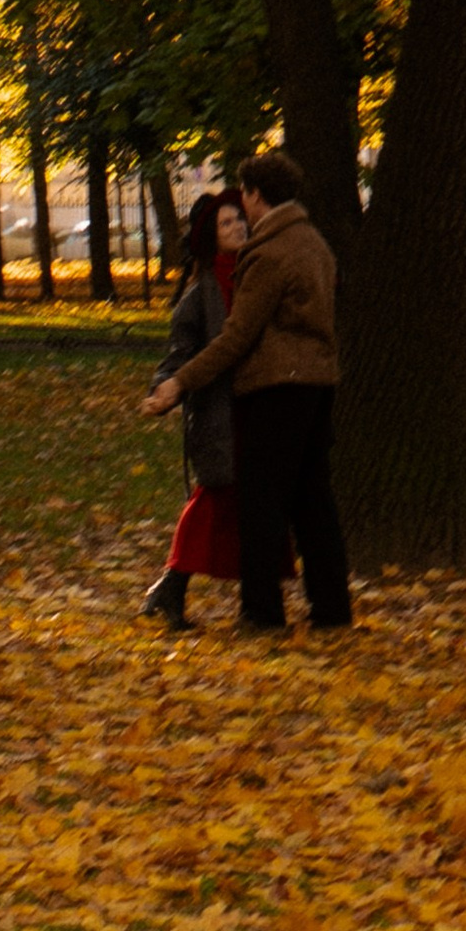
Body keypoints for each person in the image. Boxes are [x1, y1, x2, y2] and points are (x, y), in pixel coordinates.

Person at [141, 148, 350, 631]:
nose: (243, 210)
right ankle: (332, 609)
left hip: (276, 389)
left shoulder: (270, 253)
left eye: (246, 199)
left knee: (262, 503)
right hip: (319, 384)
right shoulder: (314, 243)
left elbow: (237, 336)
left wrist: (179, 382)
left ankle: (262, 613)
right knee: (314, 502)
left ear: (257, 195)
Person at [139, 193, 291, 629]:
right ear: (211, 238)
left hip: (260, 408)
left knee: (252, 503)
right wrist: (164, 390)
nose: (238, 227)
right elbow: (179, 356)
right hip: (219, 416)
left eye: (240, 219)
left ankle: (240, 599)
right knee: (216, 498)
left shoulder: (258, 275)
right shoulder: (198, 297)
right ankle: (174, 586)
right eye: (227, 224)